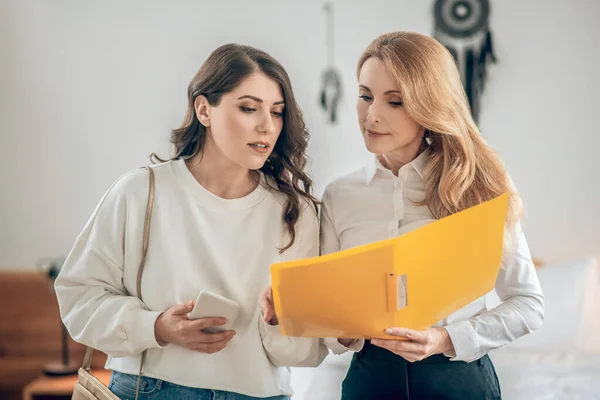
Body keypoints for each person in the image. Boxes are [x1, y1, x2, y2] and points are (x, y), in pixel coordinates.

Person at [261, 31, 545, 400]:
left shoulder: (479, 187)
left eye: (394, 102)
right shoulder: (340, 195)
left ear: (429, 105)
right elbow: (334, 323)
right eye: (365, 96)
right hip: (370, 379)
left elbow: (528, 304)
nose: (372, 115)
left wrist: (444, 338)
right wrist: (303, 313)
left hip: (458, 380)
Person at [55, 43, 324, 400]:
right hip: (147, 391)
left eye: (277, 112)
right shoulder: (141, 192)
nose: (267, 126)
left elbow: (305, 353)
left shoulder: (296, 212)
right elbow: (78, 301)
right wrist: (157, 327)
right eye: (248, 108)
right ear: (204, 110)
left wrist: (277, 321)